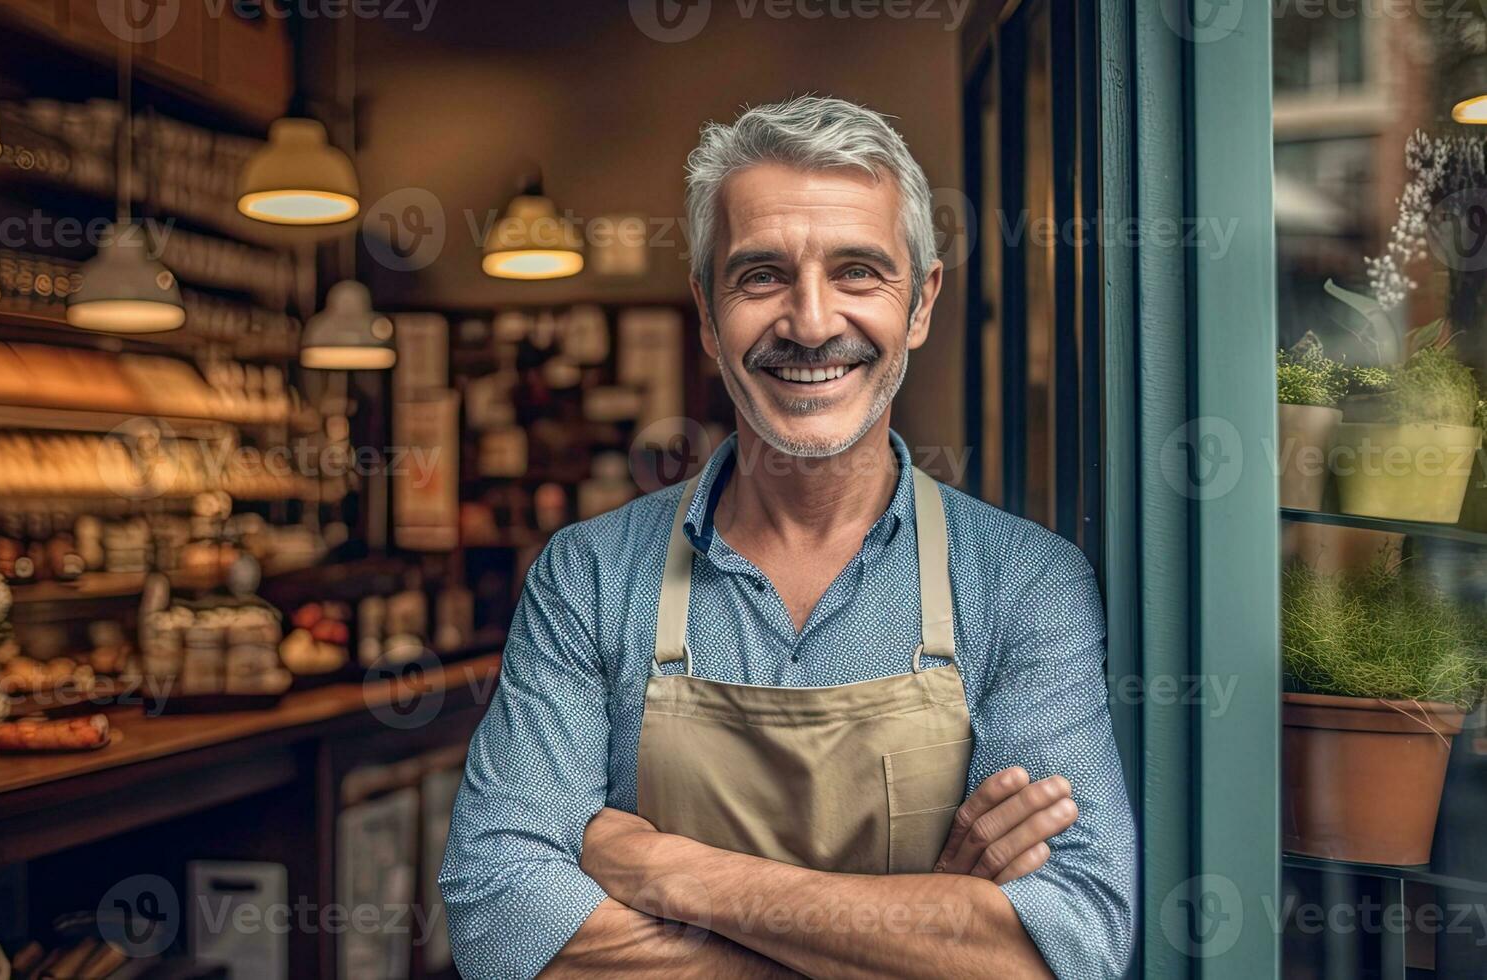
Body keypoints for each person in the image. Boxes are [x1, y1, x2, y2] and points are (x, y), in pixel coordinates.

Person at [438, 95, 1136, 979]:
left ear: (919, 304)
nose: (810, 324)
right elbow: (500, 924)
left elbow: (1069, 945)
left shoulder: (1023, 583)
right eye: (761, 275)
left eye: (857, 272)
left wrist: (666, 869)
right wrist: (915, 936)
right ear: (705, 312)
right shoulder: (588, 578)